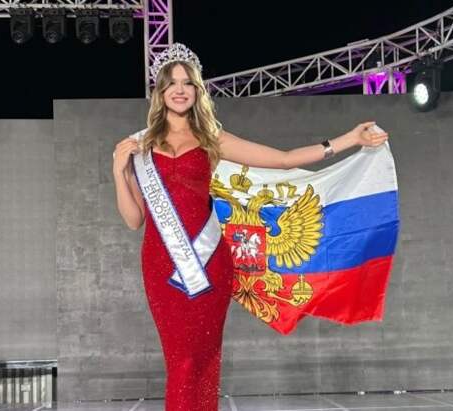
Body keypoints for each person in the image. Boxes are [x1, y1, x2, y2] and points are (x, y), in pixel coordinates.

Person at [112, 43, 388, 411]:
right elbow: (134, 220)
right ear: (160, 92)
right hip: (161, 267)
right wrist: (118, 170)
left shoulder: (211, 138)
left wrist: (348, 139)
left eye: (188, 82)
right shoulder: (140, 146)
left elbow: (284, 160)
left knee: (203, 360)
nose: (180, 89)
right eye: (172, 83)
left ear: (197, 90)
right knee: (181, 361)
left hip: (209, 265)